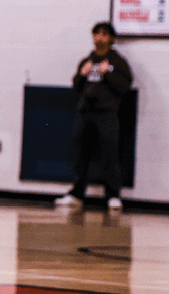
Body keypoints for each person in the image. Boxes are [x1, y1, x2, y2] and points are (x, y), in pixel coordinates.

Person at [55, 21, 133, 212]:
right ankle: (77, 194)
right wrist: (82, 75)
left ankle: (113, 195)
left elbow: (125, 86)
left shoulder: (117, 62)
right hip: (85, 114)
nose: (99, 37)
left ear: (111, 39)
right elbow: (76, 85)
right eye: (96, 33)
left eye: (104, 34)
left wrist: (108, 74)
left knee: (110, 154)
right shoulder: (87, 61)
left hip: (107, 114)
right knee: (81, 155)